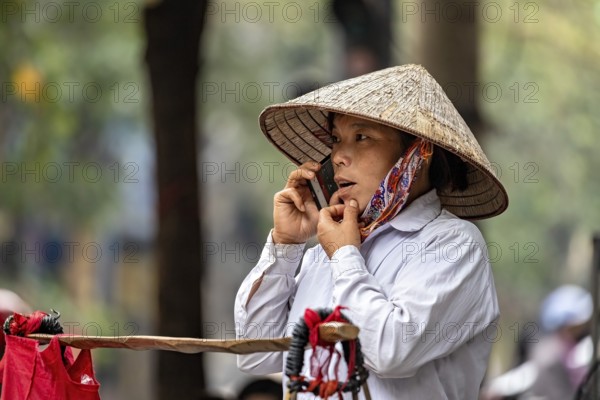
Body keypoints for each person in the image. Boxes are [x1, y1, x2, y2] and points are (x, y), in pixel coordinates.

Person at [234, 64, 509, 399]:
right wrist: (286, 245)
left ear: (417, 154)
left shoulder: (454, 245)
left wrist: (346, 257)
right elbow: (255, 353)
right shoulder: (326, 251)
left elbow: (389, 351)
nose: (338, 157)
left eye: (361, 137)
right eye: (336, 140)